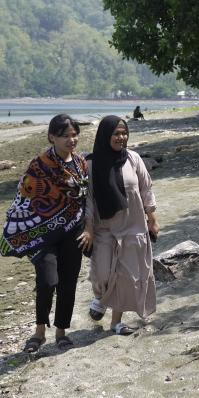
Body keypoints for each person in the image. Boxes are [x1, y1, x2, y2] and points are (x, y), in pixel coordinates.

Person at [0, 114, 88, 352]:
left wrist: (89, 229)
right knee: (48, 281)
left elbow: (85, 198)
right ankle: (39, 331)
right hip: (42, 233)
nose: (71, 140)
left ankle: (61, 332)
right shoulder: (39, 165)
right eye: (65, 136)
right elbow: (25, 195)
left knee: (68, 282)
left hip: (73, 231)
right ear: (52, 137)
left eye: (74, 135)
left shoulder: (80, 163)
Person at [78, 116, 158, 335]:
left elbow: (145, 188)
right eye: (116, 133)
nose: (121, 137)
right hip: (104, 228)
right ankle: (100, 297)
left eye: (124, 133)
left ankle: (116, 322)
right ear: (105, 135)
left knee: (125, 276)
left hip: (133, 226)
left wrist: (152, 219)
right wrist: (88, 228)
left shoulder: (133, 159)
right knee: (102, 274)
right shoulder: (91, 164)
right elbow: (89, 199)